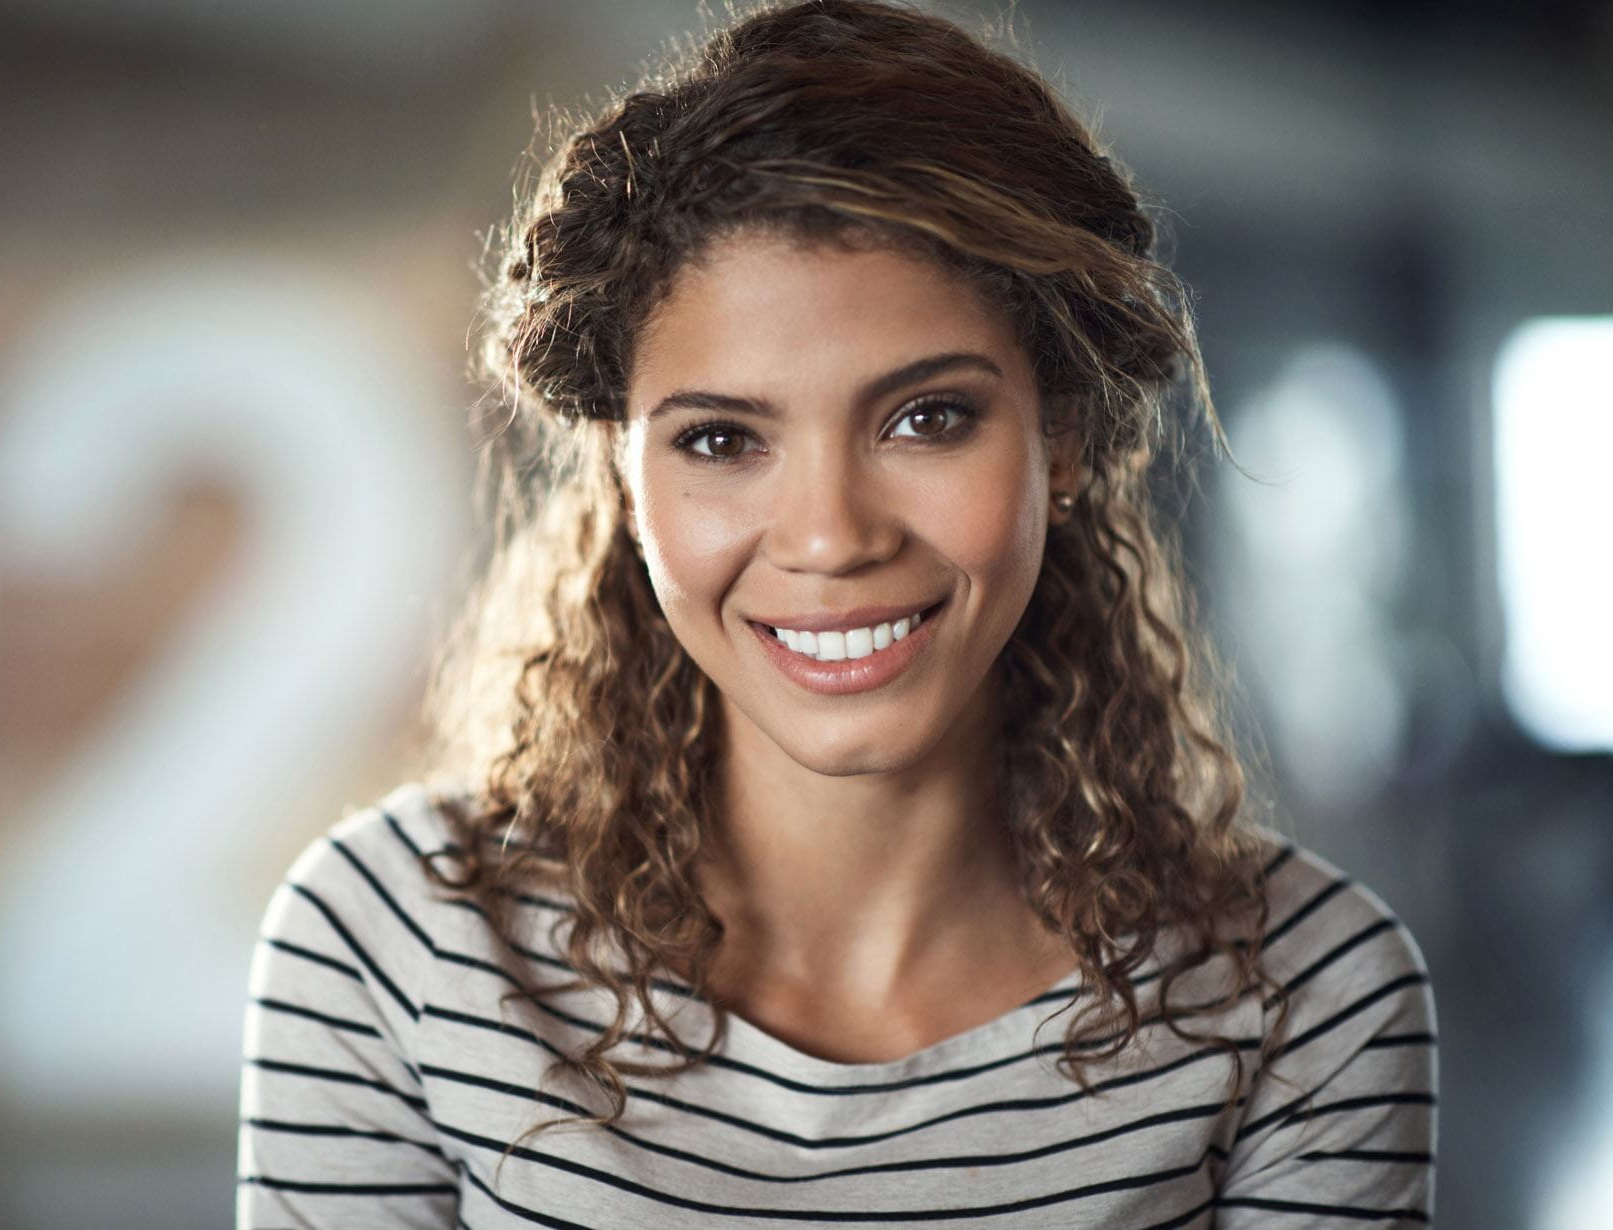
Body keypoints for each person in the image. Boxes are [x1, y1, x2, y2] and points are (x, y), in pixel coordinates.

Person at [236, 2, 1436, 1225]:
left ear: (1060, 435)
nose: (829, 535)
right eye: (718, 439)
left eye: (925, 418)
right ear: (618, 472)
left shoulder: (1307, 994)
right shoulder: (393, 945)